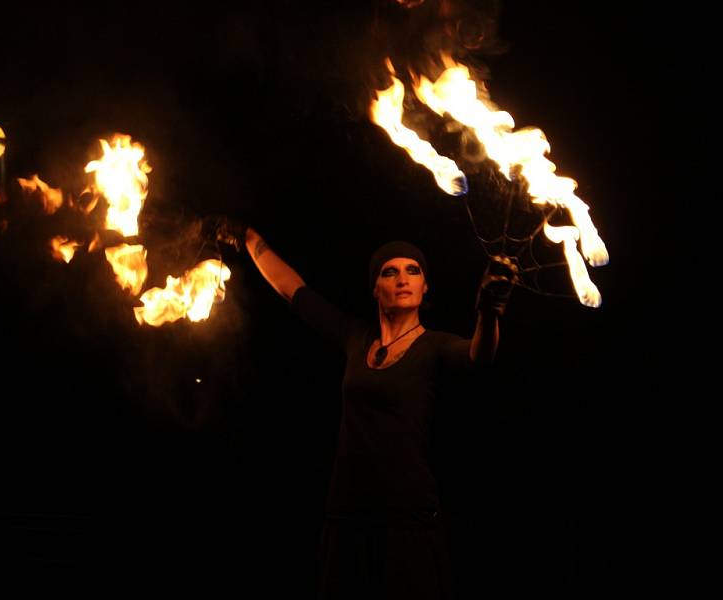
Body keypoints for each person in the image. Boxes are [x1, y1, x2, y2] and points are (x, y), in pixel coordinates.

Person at [206, 216, 518, 599]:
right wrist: (250, 237)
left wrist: (489, 310)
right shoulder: (356, 338)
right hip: (347, 517)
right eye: (389, 272)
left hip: (406, 523)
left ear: (425, 286)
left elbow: (479, 356)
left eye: (412, 271)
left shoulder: (436, 346)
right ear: (375, 288)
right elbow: (292, 289)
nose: (402, 278)